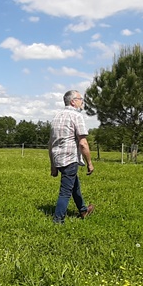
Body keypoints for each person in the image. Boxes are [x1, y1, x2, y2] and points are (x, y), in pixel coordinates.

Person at [49, 90, 95, 223]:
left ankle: (83, 210)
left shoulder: (56, 117)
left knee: (74, 186)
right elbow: (83, 143)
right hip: (70, 158)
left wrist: (53, 164)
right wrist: (90, 163)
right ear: (73, 101)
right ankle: (58, 220)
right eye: (80, 99)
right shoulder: (76, 116)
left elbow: (50, 143)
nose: (82, 102)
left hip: (58, 158)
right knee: (65, 191)